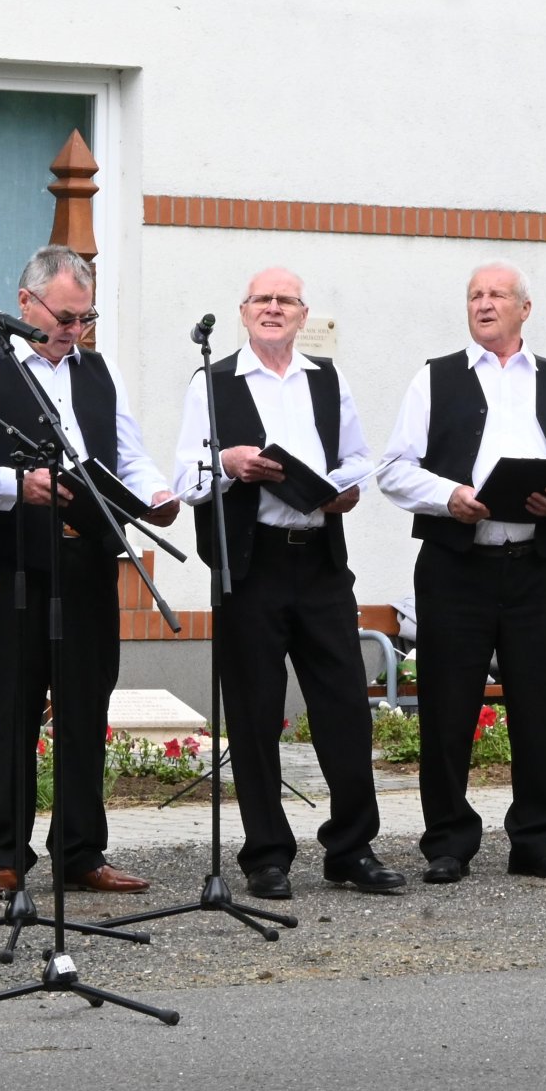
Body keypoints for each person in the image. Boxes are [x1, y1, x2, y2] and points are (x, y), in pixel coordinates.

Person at [0, 246, 179, 900]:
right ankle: (5, 856)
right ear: (26, 303)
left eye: (85, 318)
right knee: (15, 708)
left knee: (84, 709)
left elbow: (128, 454)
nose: (75, 330)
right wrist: (20, 483)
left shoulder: (100, 372)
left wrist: (158, 494)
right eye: (66, 316)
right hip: (15, 565)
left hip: (88, 562)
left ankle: (80, 850)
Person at [173, 267, 402, 900]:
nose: (273, 308)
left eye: (286, 301)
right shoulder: (212, 382)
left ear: (303, 315)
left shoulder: (328, 381)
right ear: (244, 312)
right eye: (262, 300)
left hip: (320, 559)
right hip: (252, 565)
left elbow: (360, 458)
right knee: (253, 711)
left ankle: (352, 848)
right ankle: (266, 854)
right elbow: (186, 478)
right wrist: (228, 462)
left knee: (344, 705)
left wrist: (342, 489)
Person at [377, 262, 546, 884]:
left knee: (541, 702)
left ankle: (537, 838)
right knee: (448, 707)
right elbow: (393, 470)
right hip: (457, 567)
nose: (483, 304)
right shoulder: (435, 378)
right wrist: (448, 495)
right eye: (474, 294)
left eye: (496, 295)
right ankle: (448, 840)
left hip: (535, 567)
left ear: (524, 309)